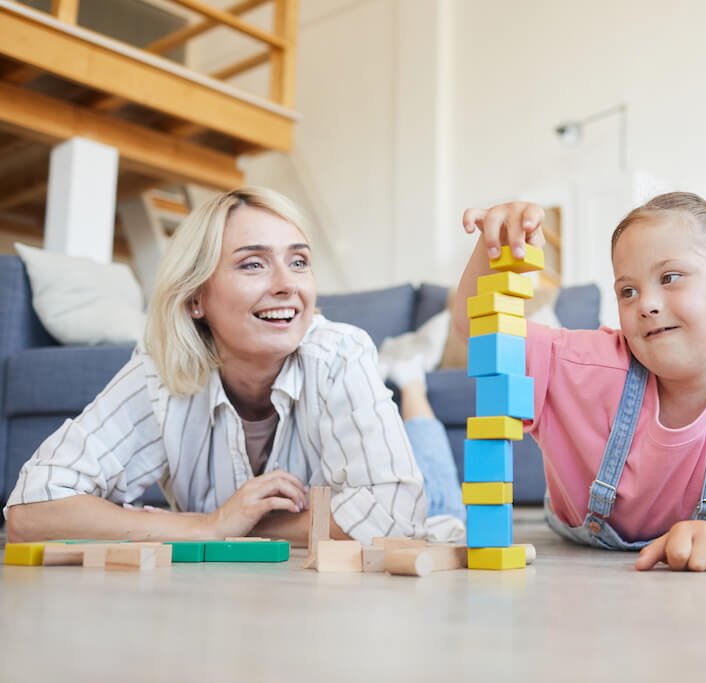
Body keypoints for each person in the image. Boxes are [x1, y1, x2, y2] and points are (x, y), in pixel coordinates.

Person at [4, 187, 463, 545]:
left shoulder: (341, 352)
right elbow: (30, 510)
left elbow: (399, 514)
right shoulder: (161, 370)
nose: (287, 285)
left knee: (441, 490)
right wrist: (207, 526)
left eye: (298, 261)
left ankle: (411, 381)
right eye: (253, 265)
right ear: (195, 298)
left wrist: (235, 526)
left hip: (434, 512)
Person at [453, 179, 706, 572]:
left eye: (670, 278)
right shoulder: (586, 364)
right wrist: (490, 248)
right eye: (627, 291)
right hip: (578, 540)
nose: (646, 304)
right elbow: (478, 332)